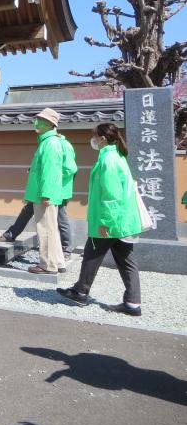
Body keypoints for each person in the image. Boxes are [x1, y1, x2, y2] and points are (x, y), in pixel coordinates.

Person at [57, 123, 143, 316]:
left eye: (94, 136)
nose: (93, 140)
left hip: (110, 221)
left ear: (102, 138)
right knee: (126, 261)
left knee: (91, 255)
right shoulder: (116, 156)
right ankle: (132, 302)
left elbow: (111, 195)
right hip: (123, 221)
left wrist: (105, 221)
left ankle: (80, 291)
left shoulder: (108, 160)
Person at [0, 129, 77, 257]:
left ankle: (66, 249)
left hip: (56, 189)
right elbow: (43, 165)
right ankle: (10, 235)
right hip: (41, 188)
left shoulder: (62, 144)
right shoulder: (47, 143)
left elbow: (71, 169)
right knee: (27, 211)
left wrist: (53, 179)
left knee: (60, 218)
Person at [22, 108, 66, 275]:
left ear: (49, 124)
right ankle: (58, 262)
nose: (36, 122)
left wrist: (46, 193)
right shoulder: (49, 142)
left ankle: (47, 264)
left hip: (44, 194)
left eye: (40, 119)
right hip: (46, 193)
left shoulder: (49, 143)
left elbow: (50, 171)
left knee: (45, 228)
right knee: (51, 228)